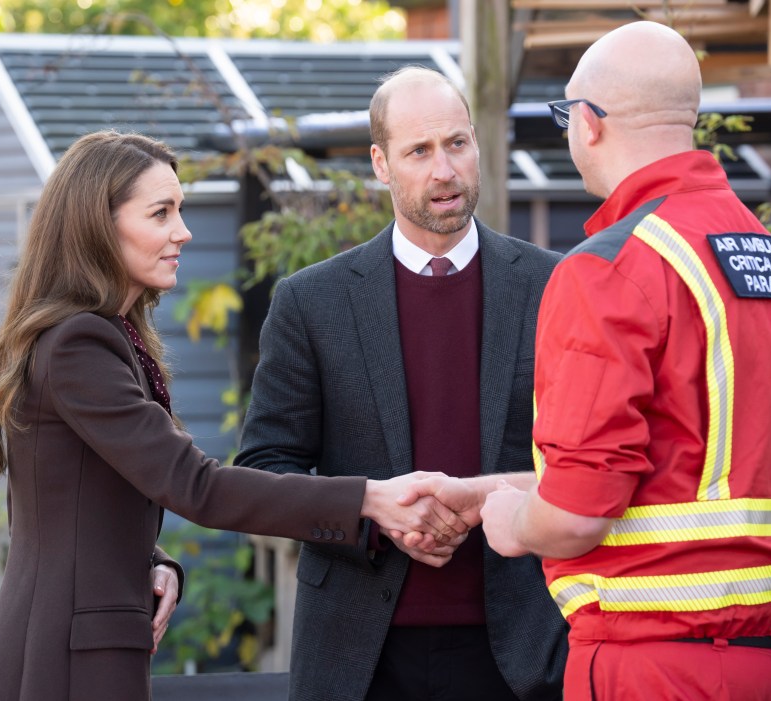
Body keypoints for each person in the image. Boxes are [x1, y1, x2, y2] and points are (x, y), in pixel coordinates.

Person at [0, 130, 472, 701]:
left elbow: (65, 503)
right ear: (97, 226)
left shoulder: (97, 336)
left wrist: (154, 562)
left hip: (68, 643)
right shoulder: (80, 343)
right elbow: (195, 486)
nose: (183, 232)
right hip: (66, 659)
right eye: (161, 213)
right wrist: (367, 500)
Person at [477, 21, 771, 701]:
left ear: (588, 124)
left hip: (654, 663)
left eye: (566, 115)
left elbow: (579, 511)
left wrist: (511, 524)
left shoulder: (612, 267)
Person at [235, 67, 568, 701]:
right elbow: (265, 470)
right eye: (420, 151)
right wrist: (372, 511)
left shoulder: (555, 287)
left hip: (526, 652)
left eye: (457, 144)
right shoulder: (312, 302)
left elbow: (585, 458)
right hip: (360, 658)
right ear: (381, 163)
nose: (444, 170)